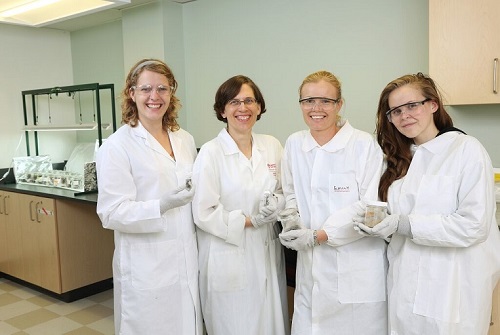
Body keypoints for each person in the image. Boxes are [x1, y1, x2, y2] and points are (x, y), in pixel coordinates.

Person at [354, 72, 500, 334]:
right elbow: (382, 211)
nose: (404, 116)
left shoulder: (466, 149)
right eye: (395, 111)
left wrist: (405, 224)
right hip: (403, 284)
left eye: (412, 106)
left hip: (452, 289)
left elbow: (474, 225)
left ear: (432, 105)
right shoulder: (396, 159)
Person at [96, 58, 203, 334]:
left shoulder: (185, 139)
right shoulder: (116, 146)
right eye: (145, 89)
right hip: (146, 265)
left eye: (162, 89)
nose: (154, 97)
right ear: (132, 93)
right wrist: (162, 205)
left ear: (171, 93)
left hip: (186, 258)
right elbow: (111, 212)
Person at [278, 70, 387, 334]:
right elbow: (290, 191)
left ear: (339, 104)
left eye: (326, 101)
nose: (316, 108)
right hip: (311, 269)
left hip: (356, 266)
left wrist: (321, 235)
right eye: (308, 101)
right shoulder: (294, 143)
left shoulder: (363, 145)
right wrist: (290, 219)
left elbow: (371, 206)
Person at [191, 75, 290, 335]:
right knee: (235, 324)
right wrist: (250, 221)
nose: (242, 108)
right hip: (228, 252)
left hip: (267, 250)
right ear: (222, 110)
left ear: (259, 107)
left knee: (270, 321)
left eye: (249, 101)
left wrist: (275, 205)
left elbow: (283, 191)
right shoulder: (210, 153)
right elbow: (203, 212)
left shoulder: (272, 146)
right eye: (234, 102)